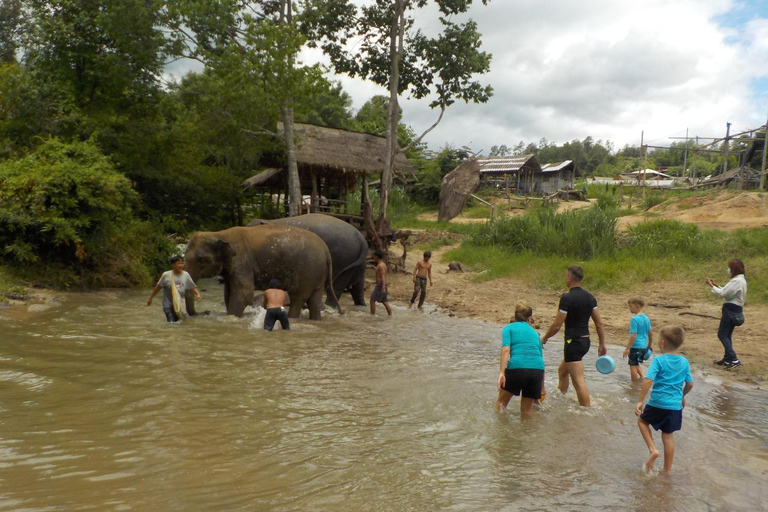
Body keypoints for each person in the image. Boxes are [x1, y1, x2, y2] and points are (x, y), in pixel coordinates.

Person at [541, 264, 606, 407]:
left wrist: (544, 338)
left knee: (578, 381)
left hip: (573, 342)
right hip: (585, 342)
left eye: (566, 276)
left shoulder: (567, 298)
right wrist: (602, 343)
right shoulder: (590, 297)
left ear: (569, 278)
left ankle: (586, 411)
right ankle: (561, 399)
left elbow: (557, 325)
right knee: (562, 371)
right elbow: (599, 323)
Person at [635, 325, 694, 475]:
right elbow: (690, 384)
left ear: (662, 343)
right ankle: (667, 471)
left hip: (657, 403)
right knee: (668, 436)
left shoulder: (659, 360)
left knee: (642, 421)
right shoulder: (684, 362)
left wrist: (640, 400)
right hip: (674, 406)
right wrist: (682, 396)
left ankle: (653, 450)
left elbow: (648, 380)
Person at [496, 302, 545, 417]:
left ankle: (501, 433)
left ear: (515, 315)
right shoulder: (535, 333)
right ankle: (528, 434)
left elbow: (506, 349)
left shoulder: (508, 328)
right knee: (527, 411)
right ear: (530, 318)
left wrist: (501, 373)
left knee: (501, 405)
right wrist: (542, 386)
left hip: (517, 369)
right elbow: (540, 359)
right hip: (536, 371)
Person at [706, 258, 747, 370]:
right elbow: (729, 293)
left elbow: (724, 293)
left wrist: (711, 285)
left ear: (734, 269)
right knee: (727, 335)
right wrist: (717, 285)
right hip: (735, 309)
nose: (728, 270)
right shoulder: (740, 280)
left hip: (730, 310)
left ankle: (734, 359)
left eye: (730, 268)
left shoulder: (736, 281)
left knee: (722, 334)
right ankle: (728, 358)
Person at [147, 255, 202, 322]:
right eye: (178, 263)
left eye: (182, 263)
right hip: (168, 304)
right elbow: (158, 287)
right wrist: (151, 298)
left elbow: (191, 286)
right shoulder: (166, 275)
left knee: (179, 322)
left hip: (180, 304)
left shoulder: (186, 275)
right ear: (173, 265)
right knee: (171, 322)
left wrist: (197, 294)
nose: (181, 265)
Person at [623, 298, 653, 382]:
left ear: (637, 306)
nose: (629, 308)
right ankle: (643, 378)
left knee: (632, 367)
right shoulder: (646, 318)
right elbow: (650, 333)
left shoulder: (634, 319)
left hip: (635, 346)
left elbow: (633, 335)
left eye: (630, 306)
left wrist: (627, 348)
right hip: (643, 346)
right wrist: (649, 345)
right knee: (636, 363)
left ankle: (634, 386)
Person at [370, 250, 392, 316]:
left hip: (381, 285)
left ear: (377, 257)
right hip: (382, 284)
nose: (373, 257)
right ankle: (390, 315)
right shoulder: (382, 264)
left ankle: (372, 315)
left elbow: (383, 276)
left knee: (372, 300)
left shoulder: (380, 266)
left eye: (374, 256)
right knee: (384, 301)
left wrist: (383, 288)